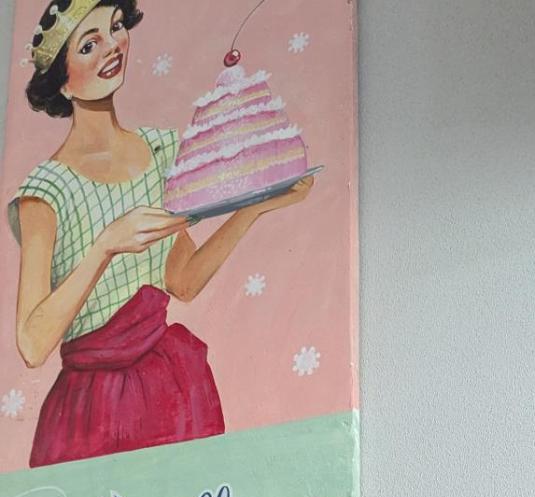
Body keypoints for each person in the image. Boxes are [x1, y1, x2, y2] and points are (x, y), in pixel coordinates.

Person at [9, 0, 312, 468]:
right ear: (62, 83)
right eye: (89, 45)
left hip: (170, 384)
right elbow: (31, 344)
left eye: (115, 28)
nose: (112, 47)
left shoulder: (162, 150)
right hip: (89, 408)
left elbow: (182, 281)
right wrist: (106, 246)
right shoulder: (46, 191)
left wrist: (255, 206)